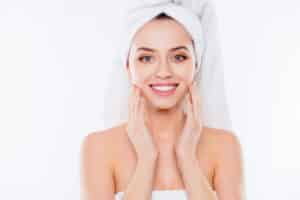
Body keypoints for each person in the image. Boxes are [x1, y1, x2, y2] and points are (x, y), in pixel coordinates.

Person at [81, 1, 245, 200]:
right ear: (128, 67)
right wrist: (146, 160)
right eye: (147, 58)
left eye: (178, 57)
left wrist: (187, 158)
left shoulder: (225, 146)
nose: (164, 72)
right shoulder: (98, 147)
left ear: (196, 64)